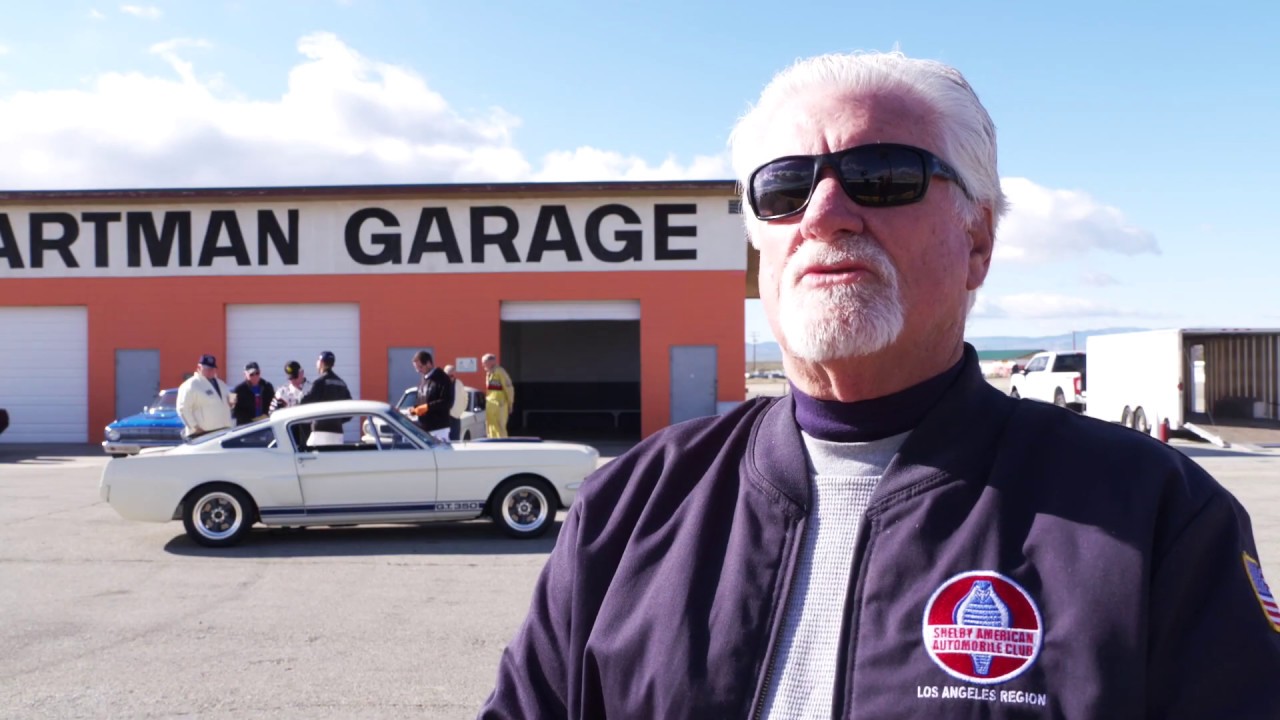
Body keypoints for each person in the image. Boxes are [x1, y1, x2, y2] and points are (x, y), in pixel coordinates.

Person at [480, 52, 1280, 719]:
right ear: (763, 240)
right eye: (786, 187)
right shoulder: (630, 508)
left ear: (978, 239)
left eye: (883, 174)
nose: (825, 212)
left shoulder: (1155, 518)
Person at [300, 350, 352, 446]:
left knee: (308, 458)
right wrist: (337, 420)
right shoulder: (341, 383)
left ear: (321, 363)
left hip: (320, 430)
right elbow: (350, 411)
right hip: (337, 431)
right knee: (334, 460)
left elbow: (305, 402)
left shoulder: (319, 382)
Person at [175, 354, 232, 440]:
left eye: (212, 368)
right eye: (206, 368)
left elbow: (228, 401)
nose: (210, 371)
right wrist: (195, 428)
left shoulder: (221, 383)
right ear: (199, 367)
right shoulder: (191, 385)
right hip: (202, 433)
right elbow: (183, 408)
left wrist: (232, 402)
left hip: (222, 430)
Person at [407, 350, 454, 442]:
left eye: (420, 367)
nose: (418, 371)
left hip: (439, 429)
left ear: (429, 363)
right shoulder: (424, 379)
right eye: (416, 368)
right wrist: (414, 409)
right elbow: (421, 401)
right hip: (425, 428)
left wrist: (427, 407)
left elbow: (446, 402)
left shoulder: (442, 378)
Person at [229, 361, 275, 426]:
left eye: (257, 373)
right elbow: (232, 411)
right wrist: (249, 420)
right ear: (245, 374)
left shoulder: (268, 386)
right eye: (251, 374)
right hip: (246, 427)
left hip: (265, 424)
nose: (255, 376)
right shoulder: (236, 390)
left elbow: (274, 404)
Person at [481, 353, 514, 438]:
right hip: (490, 404)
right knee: (490, 426)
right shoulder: (488, 373)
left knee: (500, 427)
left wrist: (510, 403)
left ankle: (503, 445)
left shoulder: (500, 372)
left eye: (484, 362)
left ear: (491, 362)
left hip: (500, 405)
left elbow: (509, 388)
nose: (483, 365)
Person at [443, 364, 468, 441]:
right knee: (444, 440)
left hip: (455, 417)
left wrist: (460, 411)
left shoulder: (459, 384)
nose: (450, 377)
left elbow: (465, 398)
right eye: (448, 375)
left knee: (455, 440)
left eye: (452, 375)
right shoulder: (441, 383)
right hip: (444, 417)